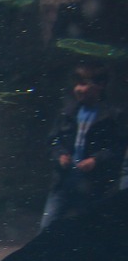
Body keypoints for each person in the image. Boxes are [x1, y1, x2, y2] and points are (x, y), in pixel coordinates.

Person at [39, 60, 126, 230]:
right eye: (76, 84)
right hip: (64, 180)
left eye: (84, 84)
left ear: (100, 85)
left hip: (94, 185)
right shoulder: (67, 113)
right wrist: (60, 155)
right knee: (47, 226)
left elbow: (118, 147)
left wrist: (95, 160)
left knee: (90, 229)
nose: (78, 89)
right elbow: (53, 140)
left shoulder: (112, 116)